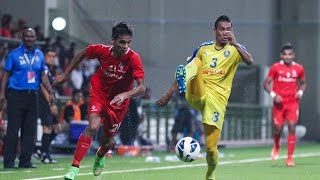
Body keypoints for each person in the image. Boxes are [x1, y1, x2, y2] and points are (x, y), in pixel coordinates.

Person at [156, 15, 253, 180]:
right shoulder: (204, 48)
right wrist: (168, 94)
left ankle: (210, 173)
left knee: (210, 148)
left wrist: (235, 43)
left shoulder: (236, 49)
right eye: (221, 29)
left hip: (217, 101)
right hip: (198, 92)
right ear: (214, 30)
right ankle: (184, 82)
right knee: (195, 63)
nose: (225, 32)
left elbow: (250, 61)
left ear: (232, 31)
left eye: (228, 29)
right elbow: (190, 67)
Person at [53, 21, 145, 180]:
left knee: (107, 142)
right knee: (93, 126)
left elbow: (142, 87)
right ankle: (74, 168)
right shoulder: (101, 51)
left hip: (118, 104)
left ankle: (101, 154)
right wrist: (65, 75)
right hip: (99, 95)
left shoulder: (133, 58)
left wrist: (125, 95)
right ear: (113, 40)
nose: (125, 46)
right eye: (122, 42)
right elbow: (83, 52)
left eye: (128, 42)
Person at [0, 28, 54, 168]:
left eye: (32, 36)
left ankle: (25, 161)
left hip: (33, 95)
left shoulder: (39, 54)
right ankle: (9, 161)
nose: (30, 38)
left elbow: (43, 75)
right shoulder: (14, 54)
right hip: (16, 95)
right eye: (27, 36)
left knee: (29, 130)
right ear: (22, 38)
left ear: (36, 38)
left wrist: (50, 91)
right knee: (13, 129)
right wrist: (2, 94)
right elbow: (6, 75)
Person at [263, 43, 306, 167]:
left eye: (290, 54)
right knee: (278, 128)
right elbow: (266, 84)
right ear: (281, 55)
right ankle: (276, 145)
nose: (287, 57)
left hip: (292, 103)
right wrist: (273, 95)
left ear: (293, 55)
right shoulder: (275, 67)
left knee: (292, 126)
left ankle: (290, 158)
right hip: (279, 104)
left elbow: (303, 83)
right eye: (285, 54)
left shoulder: (299, 68)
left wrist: (300, 92)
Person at [33, 48, 60, 164]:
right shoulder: (42, 68)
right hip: (44, 101)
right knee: (47, 127)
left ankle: (41, 150)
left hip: (50, 100)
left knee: (56, 128)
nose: (52, 58)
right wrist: (51, 103)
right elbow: (42, 86)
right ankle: (45, 154)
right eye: (50, 56)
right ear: (44, 56)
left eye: (54, 56)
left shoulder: (50, 70)